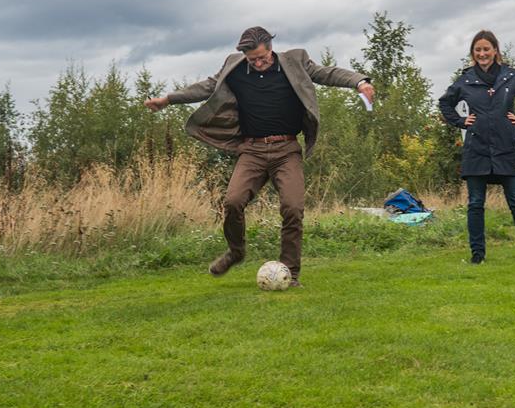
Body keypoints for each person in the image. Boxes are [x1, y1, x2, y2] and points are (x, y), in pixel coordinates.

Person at [145, 26, 374, 286]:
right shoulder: (234, 67)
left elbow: (327, 73)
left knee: (293, 208)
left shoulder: (295, 61)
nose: (257, 63)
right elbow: (207, 87)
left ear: (271, 48)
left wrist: (359, 82)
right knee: (233, 202)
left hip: (286, 150)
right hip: (251, 150)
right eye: (252, 59)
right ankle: (236, 251)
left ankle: (290, 273)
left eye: (262, 58)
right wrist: (168, 99)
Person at [439, 30, 515, 265]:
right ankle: (477, 254)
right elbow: (445, 103)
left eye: (486, 49)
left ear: (495, 51)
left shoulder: (511, 77)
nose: (482, 53)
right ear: (473, 53)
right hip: (476, 150)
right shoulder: (465, 80)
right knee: (476, 204)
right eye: (478, 50)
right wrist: (460, 121)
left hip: (506, 148)